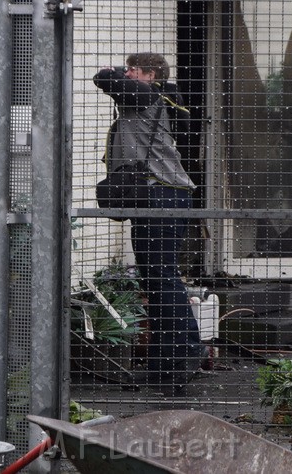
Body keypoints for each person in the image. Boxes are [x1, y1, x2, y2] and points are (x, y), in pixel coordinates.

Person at [93, 52, 201, 396]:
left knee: (162, 278)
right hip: (156, 199)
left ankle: (178, 361)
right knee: (156, 280)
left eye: (133, 69)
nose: (126, 73)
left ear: (151, 74)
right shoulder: (151, 98)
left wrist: (111, 72)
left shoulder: (151, 95)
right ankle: (167, 362)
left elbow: (104, 79)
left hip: (163, 198)